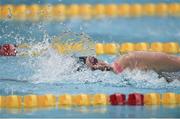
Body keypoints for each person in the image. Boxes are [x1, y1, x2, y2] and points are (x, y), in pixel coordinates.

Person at [77, 51, 180, 82]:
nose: (98, 66)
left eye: (94, 61)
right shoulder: (121, 72)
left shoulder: (127, 60)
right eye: (93, 68)